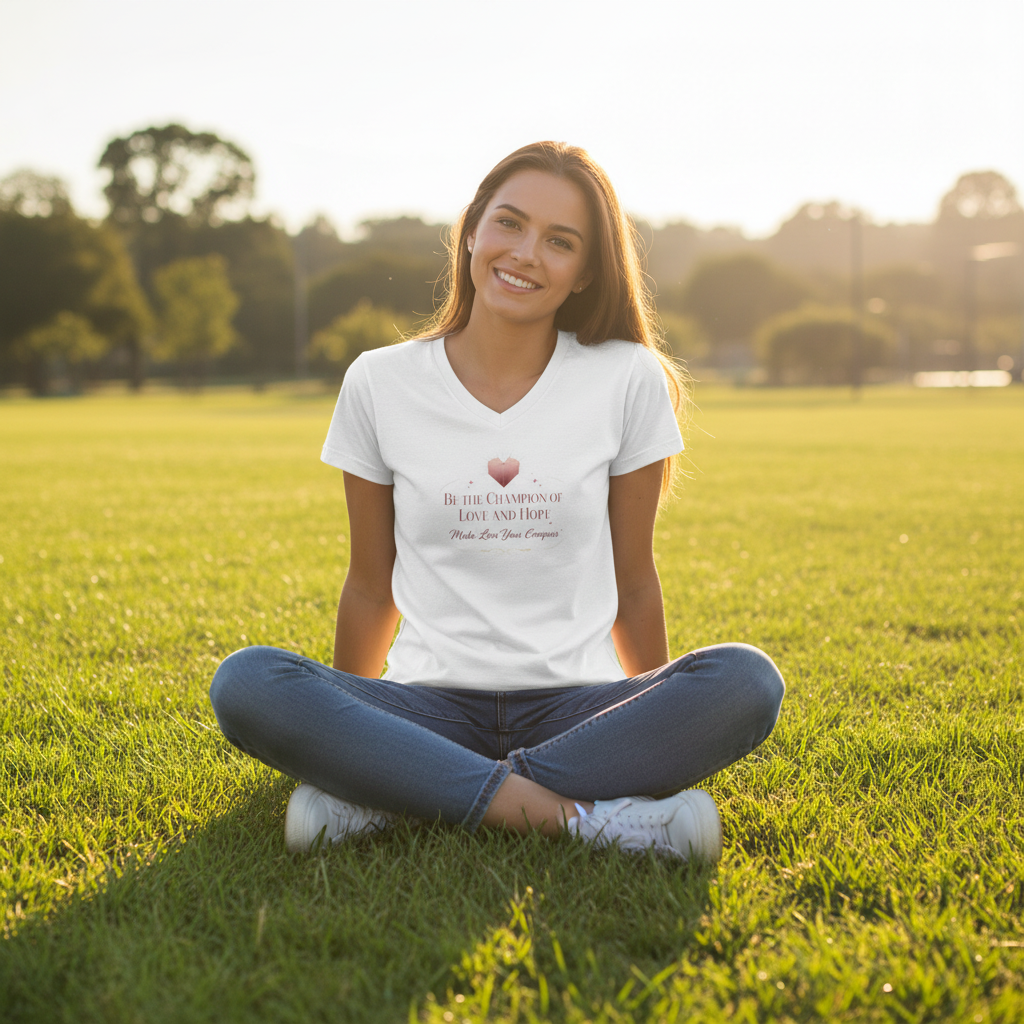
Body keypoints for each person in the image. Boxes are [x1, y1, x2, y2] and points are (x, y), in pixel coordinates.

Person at [210, 142, 784, 860]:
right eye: (509, 223)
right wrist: (349, 740)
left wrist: (650, 728)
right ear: (472, 231)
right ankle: (583, 817)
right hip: (426, 706)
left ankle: (403, 796)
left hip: (577, 708)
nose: (526, 253)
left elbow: (634, 580)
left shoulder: (626, 379)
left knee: (746, 680)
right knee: (248, 681)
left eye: (560, 241)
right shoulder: (378, 382)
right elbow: (369, 582)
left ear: (584, 273)